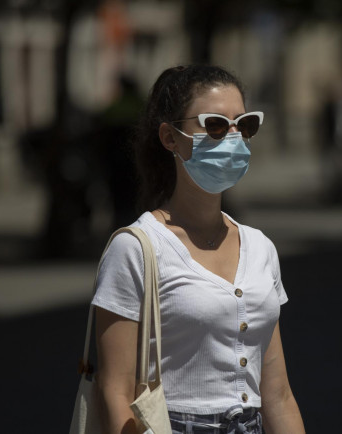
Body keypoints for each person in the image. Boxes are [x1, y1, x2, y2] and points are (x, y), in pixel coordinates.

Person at [92, 65, 305, 433]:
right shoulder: (136, 248)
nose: (234, 137)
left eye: (245, 124)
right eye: (216, 125)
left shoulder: (260, 248)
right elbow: (115, 391)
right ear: (170, 138)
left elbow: (278, 394)